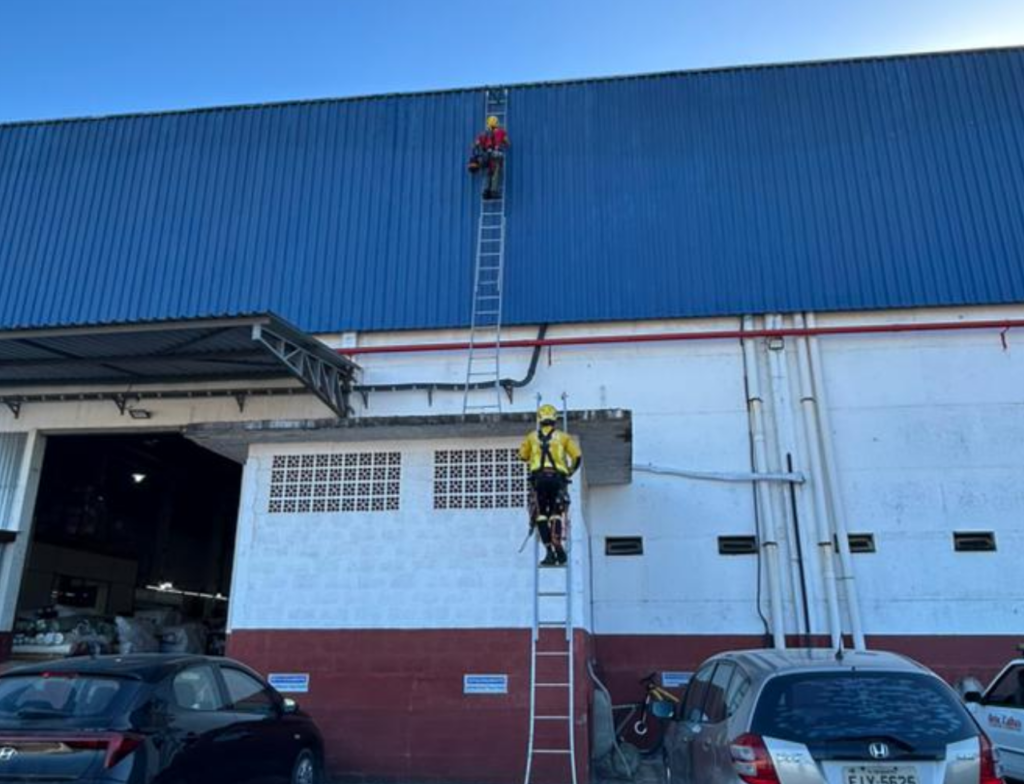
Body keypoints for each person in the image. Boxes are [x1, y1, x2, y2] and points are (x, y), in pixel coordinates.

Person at [518, 404, 582, 566]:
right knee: (556, 513)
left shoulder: (531, 437)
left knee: (540, 515)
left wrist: (534, 455)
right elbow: (577, 457)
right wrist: (569, 472)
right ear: (555, 419)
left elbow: (522, 456)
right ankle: (557, 543)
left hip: (539, 480)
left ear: (539, 419)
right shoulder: (563, 437)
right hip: (558, 479)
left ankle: (549, 553)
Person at [468, 116, 510, 200]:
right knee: (495, 173)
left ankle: (486, 192)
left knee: (487, 174)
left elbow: (475, 145)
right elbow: (507, 143)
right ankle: (494, 192)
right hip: (495, 156)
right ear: (497, 123)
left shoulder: (483, 134)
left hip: (485, 157)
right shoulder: (501, 132)